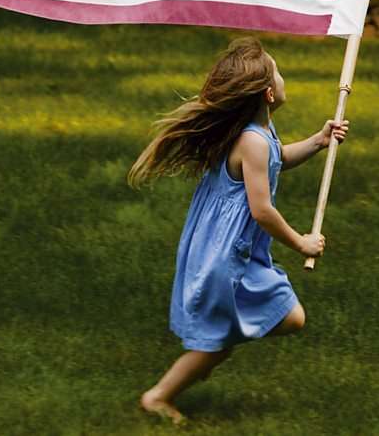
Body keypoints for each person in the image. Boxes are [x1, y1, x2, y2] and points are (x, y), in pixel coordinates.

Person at [128, 36, 350, 425]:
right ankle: (157, 396)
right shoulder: (251, 140)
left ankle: (208, 355)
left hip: (230, 249)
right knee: (285, 319)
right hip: (226, 255)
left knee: (233, 332)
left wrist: (317, 141)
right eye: (278, 74)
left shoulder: (258, 132)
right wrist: (301, 242)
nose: (283, 78)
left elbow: (277, 160)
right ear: (268, 93)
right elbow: (262, 210)